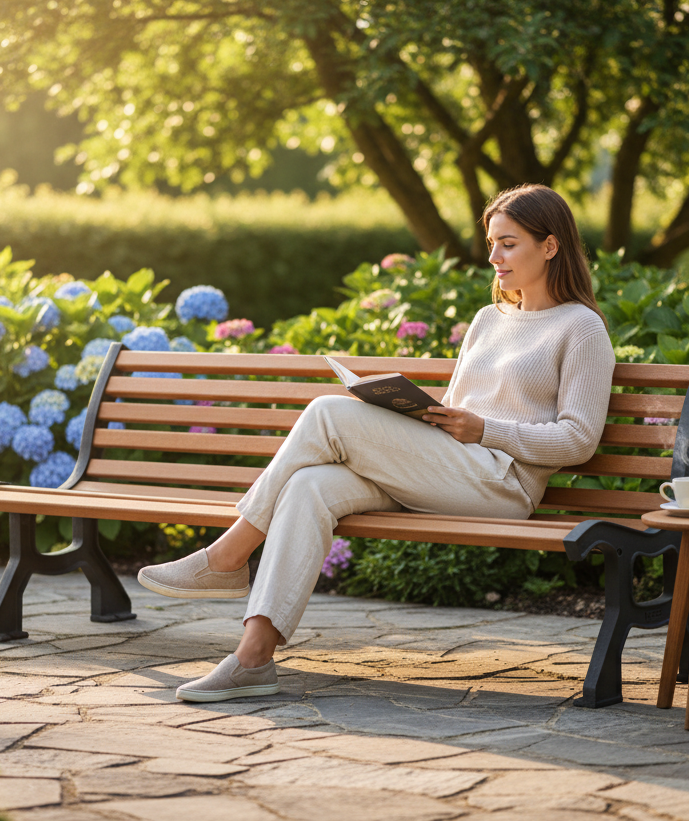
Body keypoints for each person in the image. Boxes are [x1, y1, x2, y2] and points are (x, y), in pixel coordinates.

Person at [138, 184, 616, 703]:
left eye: (509, 243)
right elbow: (461, 405)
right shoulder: (487, 320)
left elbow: (579, 440)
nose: (494, 257)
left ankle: (227, 556)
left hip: (501, 486)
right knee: (309, 486)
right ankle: (253, 659)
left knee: (327, 411)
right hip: (448, 470)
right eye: (492, 243)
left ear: (550, 246)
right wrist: (420, 417)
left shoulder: (581, 328)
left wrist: (485, 430)